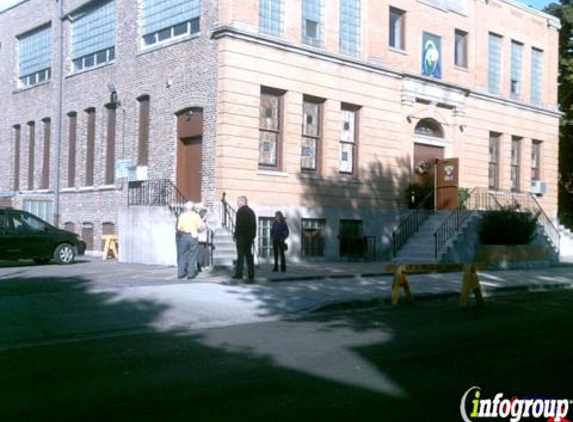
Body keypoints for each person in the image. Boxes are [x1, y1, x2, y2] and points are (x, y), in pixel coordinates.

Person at [176, 201, 205, 280]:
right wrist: (200, 230)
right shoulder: (196, 216)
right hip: (193, 235)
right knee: (192, 255)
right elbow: (200, 227)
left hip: (184, 236)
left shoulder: (182, 215)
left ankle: (181, 273)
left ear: (185, 208)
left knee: (182, 255)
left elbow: (179, 228)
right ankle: (190, 274)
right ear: (193, 208)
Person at [232, 195, 256, 282]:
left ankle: (239, 273)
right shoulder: (251, 211)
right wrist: (253, 235)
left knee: (240, 255)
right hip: (249, 237)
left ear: (243, 202)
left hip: (241, 236)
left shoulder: (240, 211)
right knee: (249, 255)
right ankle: (251, 273)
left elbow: (239, 225)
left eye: (238, 201)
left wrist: (235, 235)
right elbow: (254, 225)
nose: (237, 203)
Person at [196, 208, 212, 272]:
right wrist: (204, 227)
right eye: (207, 215)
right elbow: (199, 230)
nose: (208, 216)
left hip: (206, 239)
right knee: (200, 253)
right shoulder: (199, 221)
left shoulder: (205, 221)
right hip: (200, 240)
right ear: (203, 215)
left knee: (206, 252)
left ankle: (206, 265)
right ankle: (200, 266)